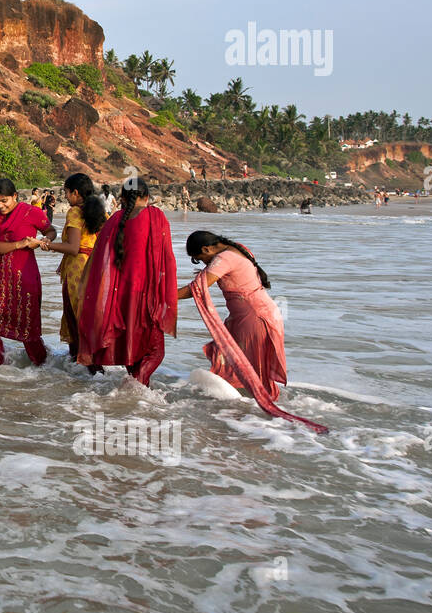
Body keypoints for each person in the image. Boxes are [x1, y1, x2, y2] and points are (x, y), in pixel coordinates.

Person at [177, 231, 327, 433]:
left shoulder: (224, 258)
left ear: (207, 249)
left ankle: (252, 416)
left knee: (247, 366)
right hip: (255, 313)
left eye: (200, 259)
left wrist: (160, 296)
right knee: (234, 361)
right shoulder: (236, 249)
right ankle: (246, 412)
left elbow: (196, 288)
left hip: (254, 317)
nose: (202, 263)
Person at [75, 177, 177, 385]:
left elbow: (99, 261)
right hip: (145, 297)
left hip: (119, 297)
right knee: (154, 353)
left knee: (134, 353)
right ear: (147, 197)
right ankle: (131, 391)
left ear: (121, 198)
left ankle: (136, 399)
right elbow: (166, 259)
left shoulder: (114, 220)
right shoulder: (155, 216)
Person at [0, 178, 57, 366]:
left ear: (15, 196)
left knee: (27, 330)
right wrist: (20, 244)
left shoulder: (31, 212)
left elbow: (50, 230)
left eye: (4, 201)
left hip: (24, 276)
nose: (0, 206)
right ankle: (4, 364)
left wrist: (43, 242)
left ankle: (44, 370)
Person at [40, 173, 106, 360]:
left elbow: (73, 248)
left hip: (78, 270)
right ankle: (94, 368)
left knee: (75, 318)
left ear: (75, 193)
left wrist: (46, 244)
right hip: (94, 268)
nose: (66, 197)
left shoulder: (75, 212)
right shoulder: (101, 212)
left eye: (67, 193)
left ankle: (78, 368)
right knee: (89, 316)